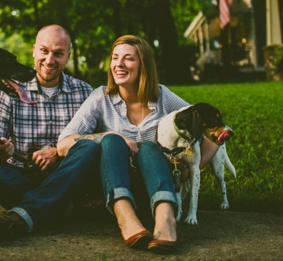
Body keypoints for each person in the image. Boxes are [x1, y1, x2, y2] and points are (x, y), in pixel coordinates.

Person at [57, 35, 219, 254]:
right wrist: (107, 135)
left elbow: (210, 130)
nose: (119, 64)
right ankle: (125, 217)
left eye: (128, 59)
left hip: (156, 185)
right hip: (113, 186)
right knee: (112, 140)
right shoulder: (100, 98)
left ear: (143, 64)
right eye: (115, 58)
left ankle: (166, 217)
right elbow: (64, 144)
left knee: (150, 149)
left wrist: (190, 170)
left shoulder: (163, 97)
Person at [0, 25, 98, 244]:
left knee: (88, 147)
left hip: (68, 175)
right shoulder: (9, 91)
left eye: (58, 54)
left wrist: (58, 153)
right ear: (34, 51)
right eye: (44, 51)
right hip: (21, 175)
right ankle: (62, 208)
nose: (49, 60)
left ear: (68, 56)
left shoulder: (84, 92)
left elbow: (96, 143)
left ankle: (22, 217)